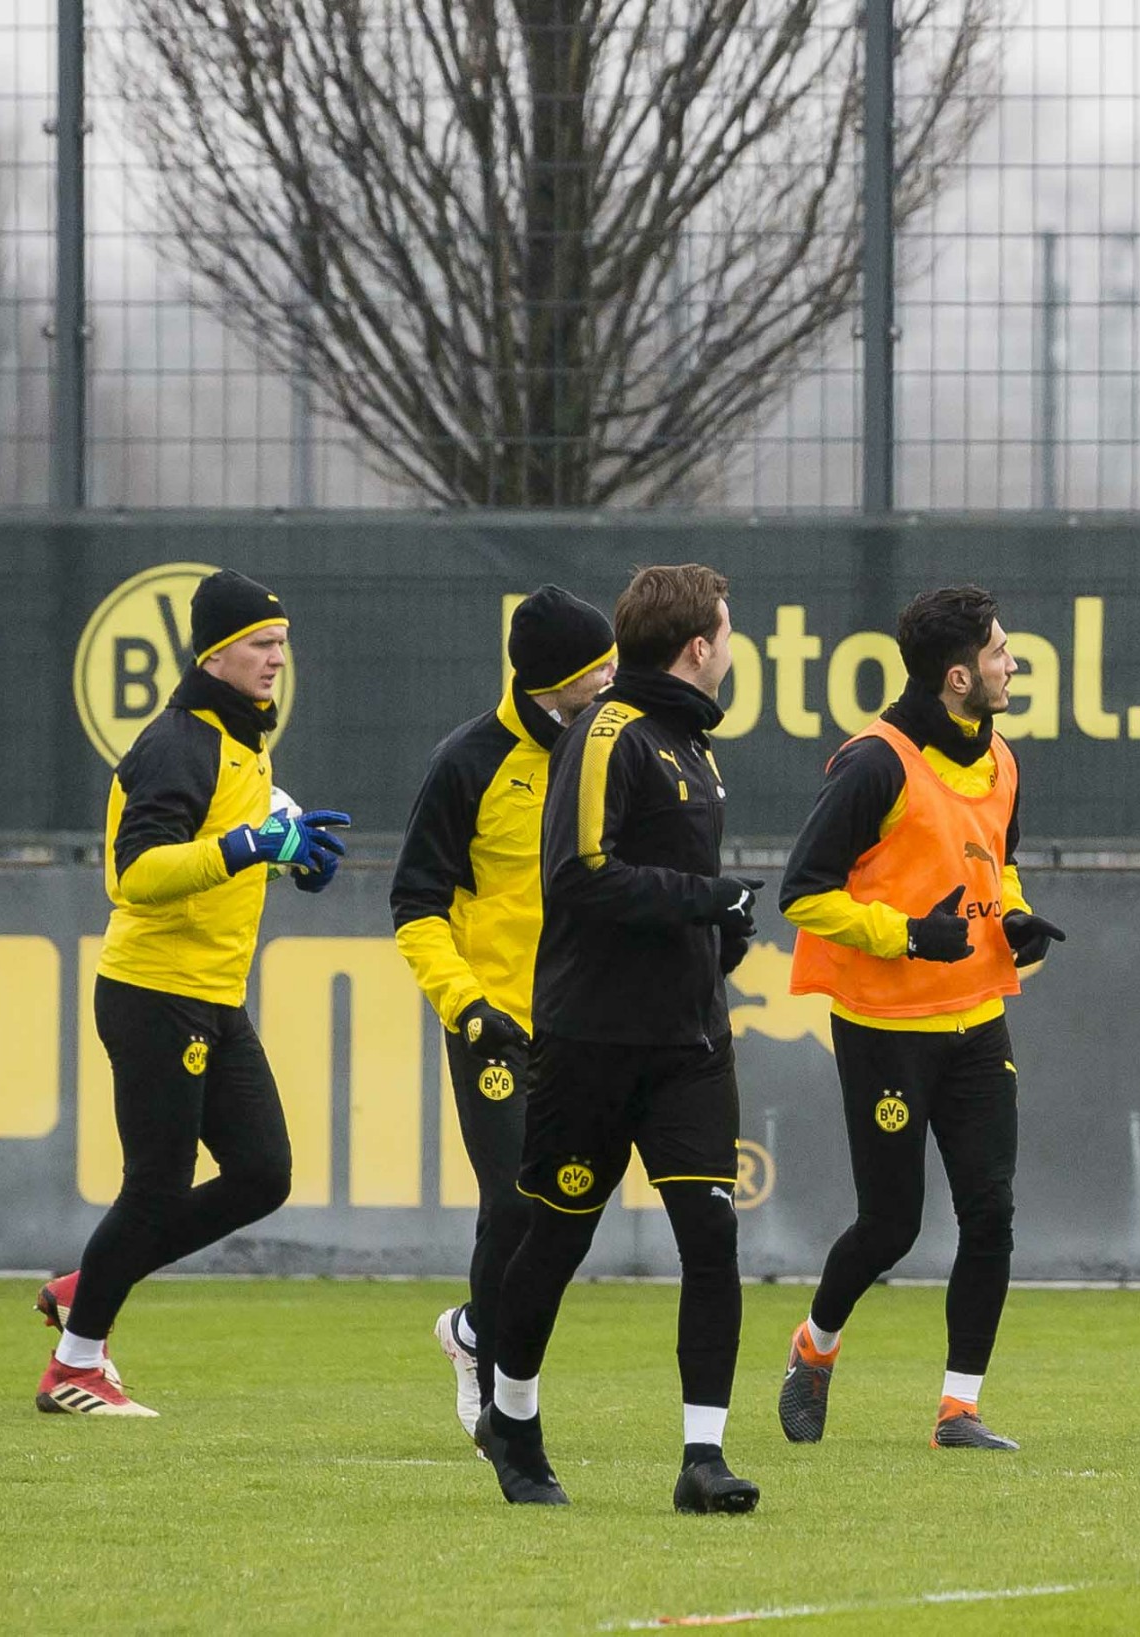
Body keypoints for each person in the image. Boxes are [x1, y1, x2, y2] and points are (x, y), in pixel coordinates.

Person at [476, 564, 763, 1513]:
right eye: (728, 632)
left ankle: (703, 1458)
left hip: (689, 1043)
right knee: (554, 1239)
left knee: (710, 1234)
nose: (734, 648)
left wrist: (720, 935)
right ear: (698, 646)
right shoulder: (609, 733)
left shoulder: (692, 744)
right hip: (590, 1042)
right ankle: (513, 1422)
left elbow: (672, 889)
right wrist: (707, 898)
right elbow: (581, 874)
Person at [32, 570, 348, 1417]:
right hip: (153, 989)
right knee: (157, 1187)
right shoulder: (181, 741)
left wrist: (286, 858)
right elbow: (134, 874)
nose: (276, 657)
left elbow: (219, 852)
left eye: (282, 642)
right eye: (260, 644)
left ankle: (89, 1284)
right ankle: (75, 1364)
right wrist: (249, 845)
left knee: (263, 1172)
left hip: (211, 993)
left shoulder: (240, 739)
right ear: (213, 655)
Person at [774, 585, 1059, 1454]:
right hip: (885, 1028)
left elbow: (997, 862)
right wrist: (905, 935)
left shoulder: (1001, 758)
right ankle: (815, 1345)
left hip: (978, 1024)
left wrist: (1014, 915)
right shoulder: (874, 763)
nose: (1014, 663)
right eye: (1001, 651)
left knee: (991, 1214)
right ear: (958, 676)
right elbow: (802, 893)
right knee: (890, 1226)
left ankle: (958, 1410)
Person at [390, 586, 617, 1444]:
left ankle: (474, 1330)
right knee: (517, 1201)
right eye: (598, 671)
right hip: (496, 1024)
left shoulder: (616, 752)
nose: (611, 683)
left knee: (554, 1208)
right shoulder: (467, 762)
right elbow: (415, 905)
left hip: (585, 1024)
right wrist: (468, 1002)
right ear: (552, 679)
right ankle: (498, 1398)